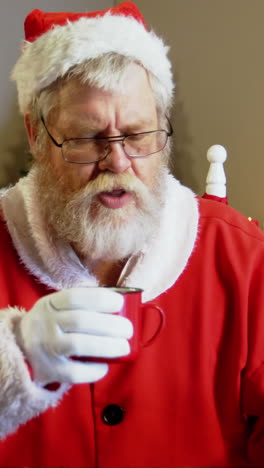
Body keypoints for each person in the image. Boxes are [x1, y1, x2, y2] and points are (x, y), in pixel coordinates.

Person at [0, 1, 264, 467]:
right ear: (37, 135)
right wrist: (14, 359)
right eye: (86, 138)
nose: (118, 163)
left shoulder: (242, 260)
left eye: (139, 135)